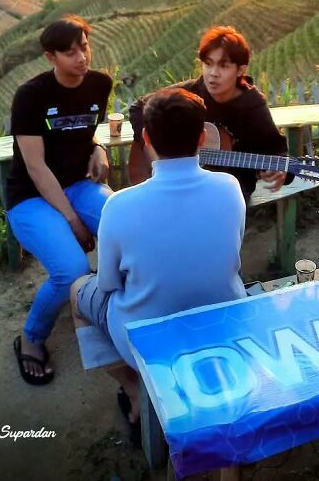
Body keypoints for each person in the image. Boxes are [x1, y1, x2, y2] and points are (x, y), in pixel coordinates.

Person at [71, 87, 246, 438]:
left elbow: (107, 285)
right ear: (201, 137)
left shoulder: (120, 205)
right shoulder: (229, 187)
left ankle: (134, 389)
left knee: (77, 290)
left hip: (146, 339)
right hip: (225, 321)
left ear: (146, 138)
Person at [6, 14, 112, 385]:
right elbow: (35, 167)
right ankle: (32, 338)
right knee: (71, 270)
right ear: (51, 58)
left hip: (79, 184)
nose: (81, 58)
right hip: (32, 197)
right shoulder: (31, 96)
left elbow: (84, 133)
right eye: (70, 53)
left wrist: (99, 148)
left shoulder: (100, 84)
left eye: (84, 47)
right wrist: (73, 219)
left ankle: (118, 307)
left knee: (124, 227)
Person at [128, 26, 291, 200]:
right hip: (182, 181)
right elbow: (138, 108)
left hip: (232, 188)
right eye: (208, 64)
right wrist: (152, 149)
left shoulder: (252, 105)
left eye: (223, 66)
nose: (213, 74)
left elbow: (278, 151)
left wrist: (282, 171)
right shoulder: (191, 92)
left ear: (240, 70)